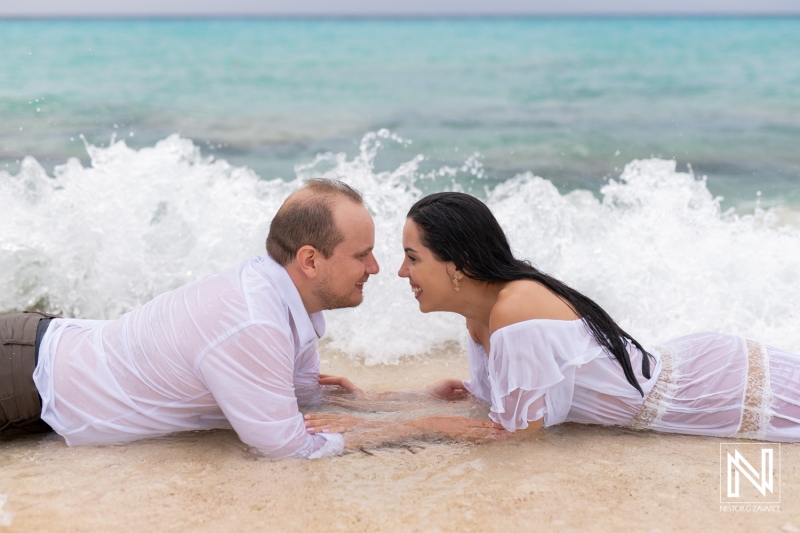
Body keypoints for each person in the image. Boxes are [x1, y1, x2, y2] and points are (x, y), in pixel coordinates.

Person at [305, 192, 800, 444]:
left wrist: (393, 430)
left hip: (717, 389)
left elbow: (516, 436)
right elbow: (493, 404)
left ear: (455, 265)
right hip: (694, 368)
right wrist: (373, 399)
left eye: (413, 257)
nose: (399, 272)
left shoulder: (515, 310)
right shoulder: (482, 314)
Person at [0, 178, 381, 459]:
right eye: (361, 255)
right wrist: (406, 427)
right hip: (20, 382)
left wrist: (402, 400)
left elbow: (300, 400)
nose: (374, 267)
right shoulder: (254, 323)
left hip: (33, 356)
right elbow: (288, 448)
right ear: (310, 261)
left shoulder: (279, 296)